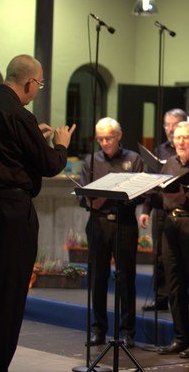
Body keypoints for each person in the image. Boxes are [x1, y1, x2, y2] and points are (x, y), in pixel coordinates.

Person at [0, 54, 75, 372]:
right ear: (29, 82)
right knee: (8, 298)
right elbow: (50, 165)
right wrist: (61, 144)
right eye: (39, 84)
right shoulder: (19, 114)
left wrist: (30, 137)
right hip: (10, 211)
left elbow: (0, 149)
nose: (38, 90)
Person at [140, 122, 189, 358]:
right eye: (177, 138)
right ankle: (180, 337)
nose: (181, 142)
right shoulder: (169, 164)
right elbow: (158, 195)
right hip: (170, 225)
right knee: (174, 284)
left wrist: (185, 200)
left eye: (186, 137)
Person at [79, 117, 143, 348]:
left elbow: (141, 193)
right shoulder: (91, 161)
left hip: (124, 223)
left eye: (109, 138)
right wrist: (93, 200)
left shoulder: (133, 159)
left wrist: (115, 197)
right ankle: (98, 329)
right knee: (98, 277)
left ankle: (127, 332)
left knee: (126, 278)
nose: (105, 142)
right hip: (98, 223)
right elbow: (83, 196)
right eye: (101, 139)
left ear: (119, 136)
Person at [147, 107, 188, 312]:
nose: (170, 129)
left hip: (182, 210)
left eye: (174, 125)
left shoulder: (187, 150)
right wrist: (145, 210)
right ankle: (161, 297)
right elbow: (150, 182)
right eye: (167, 125)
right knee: (159, 255)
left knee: (179, 257)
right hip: (160, 207)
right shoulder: (159, 150)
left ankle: (181, 299)